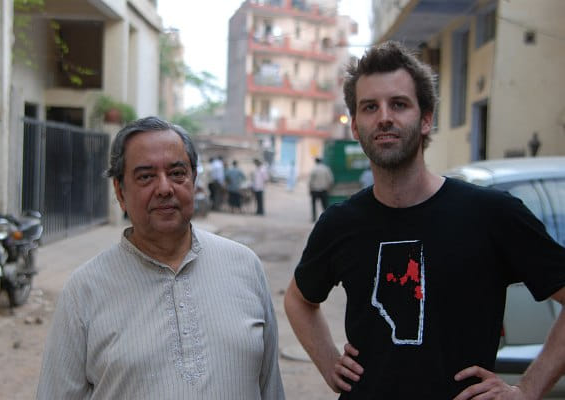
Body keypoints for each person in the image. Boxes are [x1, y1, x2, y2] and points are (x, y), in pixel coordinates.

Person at [284, 41, 565, 399]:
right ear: (355, 126)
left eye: (399, 104)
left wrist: (527, 389)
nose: (384, 117)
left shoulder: (492, 214)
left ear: (426, 119)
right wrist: (328, 362)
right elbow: (298, 300)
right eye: (370, 107)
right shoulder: (340, 223)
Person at [37, 117, 284, 399]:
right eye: (146, 176)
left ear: (194, 181)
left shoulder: (245, 267)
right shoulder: (84, 291)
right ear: (120, 191)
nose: (165, 188)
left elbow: (270, 388)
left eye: (177, 173)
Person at [308, 157, 334, 222]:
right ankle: (327, 217)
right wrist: (328, 188)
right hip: (324, 190)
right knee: (325, 205)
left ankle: (314, 218)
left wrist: (310, 189)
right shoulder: (326, 169)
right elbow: (331, 180)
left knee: (314, 205)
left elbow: (310, 181)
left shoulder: (314, 169)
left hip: (315, 190)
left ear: (316, 162)